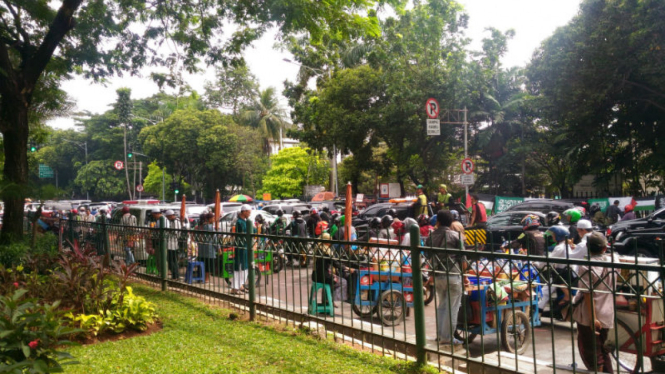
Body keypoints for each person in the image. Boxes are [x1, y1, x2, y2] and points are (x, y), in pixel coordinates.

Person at [572, 232, 615, 373]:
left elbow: (587, 293)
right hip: (607, 311)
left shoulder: (586, 266)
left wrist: (593, 318)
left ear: (588, 248)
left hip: (590, 313)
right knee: (602, 350)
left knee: (593, 354)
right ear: (604, 248)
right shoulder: (614, 261)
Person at [426, 210, 466, 346]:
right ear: (451, 222)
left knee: (442, 306)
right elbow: (463, 259)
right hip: (453, 275)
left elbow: (427, 256)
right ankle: (447, 338)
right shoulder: (456, 236)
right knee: (452, 308)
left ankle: (440, 335)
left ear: (438, 221)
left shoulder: (431, 237)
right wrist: (465, 276)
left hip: (437, 275)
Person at [311, 233, 355, 305]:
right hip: (323, 277)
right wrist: (347, 268)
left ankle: (326, 300)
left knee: (330, 282)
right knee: (343, 282)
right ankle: (331, 300)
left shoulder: (318, 249)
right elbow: (335, 263)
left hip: (315, 275)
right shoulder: (325, 252)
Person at [232, 204, 253, 294]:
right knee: (240, 268)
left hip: (245, 246)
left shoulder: (245, 221)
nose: (249, 214)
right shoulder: (239, 222)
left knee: (244, 268)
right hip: (241, 247)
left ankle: (240, 286)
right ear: (244, 212)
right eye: (248, 212)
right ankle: (235, 288)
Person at [197, 213, 217, 283]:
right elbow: (215, 239)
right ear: (210, 219)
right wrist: (218, 248)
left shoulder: (200, 227)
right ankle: (206, 279)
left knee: (202, 263)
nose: (214, 220)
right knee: (208, 265)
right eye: (213, 218)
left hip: (201, 249)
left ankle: (200, 278)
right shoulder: (211, 228)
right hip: (209, 249)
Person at [164, 210, 182, 280]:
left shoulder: (176, 221)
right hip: (170, 243)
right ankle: (174, 275)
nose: (167, 218)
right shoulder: (172, 221)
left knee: (172, 260)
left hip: (173, 244)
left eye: (168, 217)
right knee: (171, 260)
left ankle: (176, 275)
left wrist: (168, 231)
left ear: (171, 215)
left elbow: (176, 232)